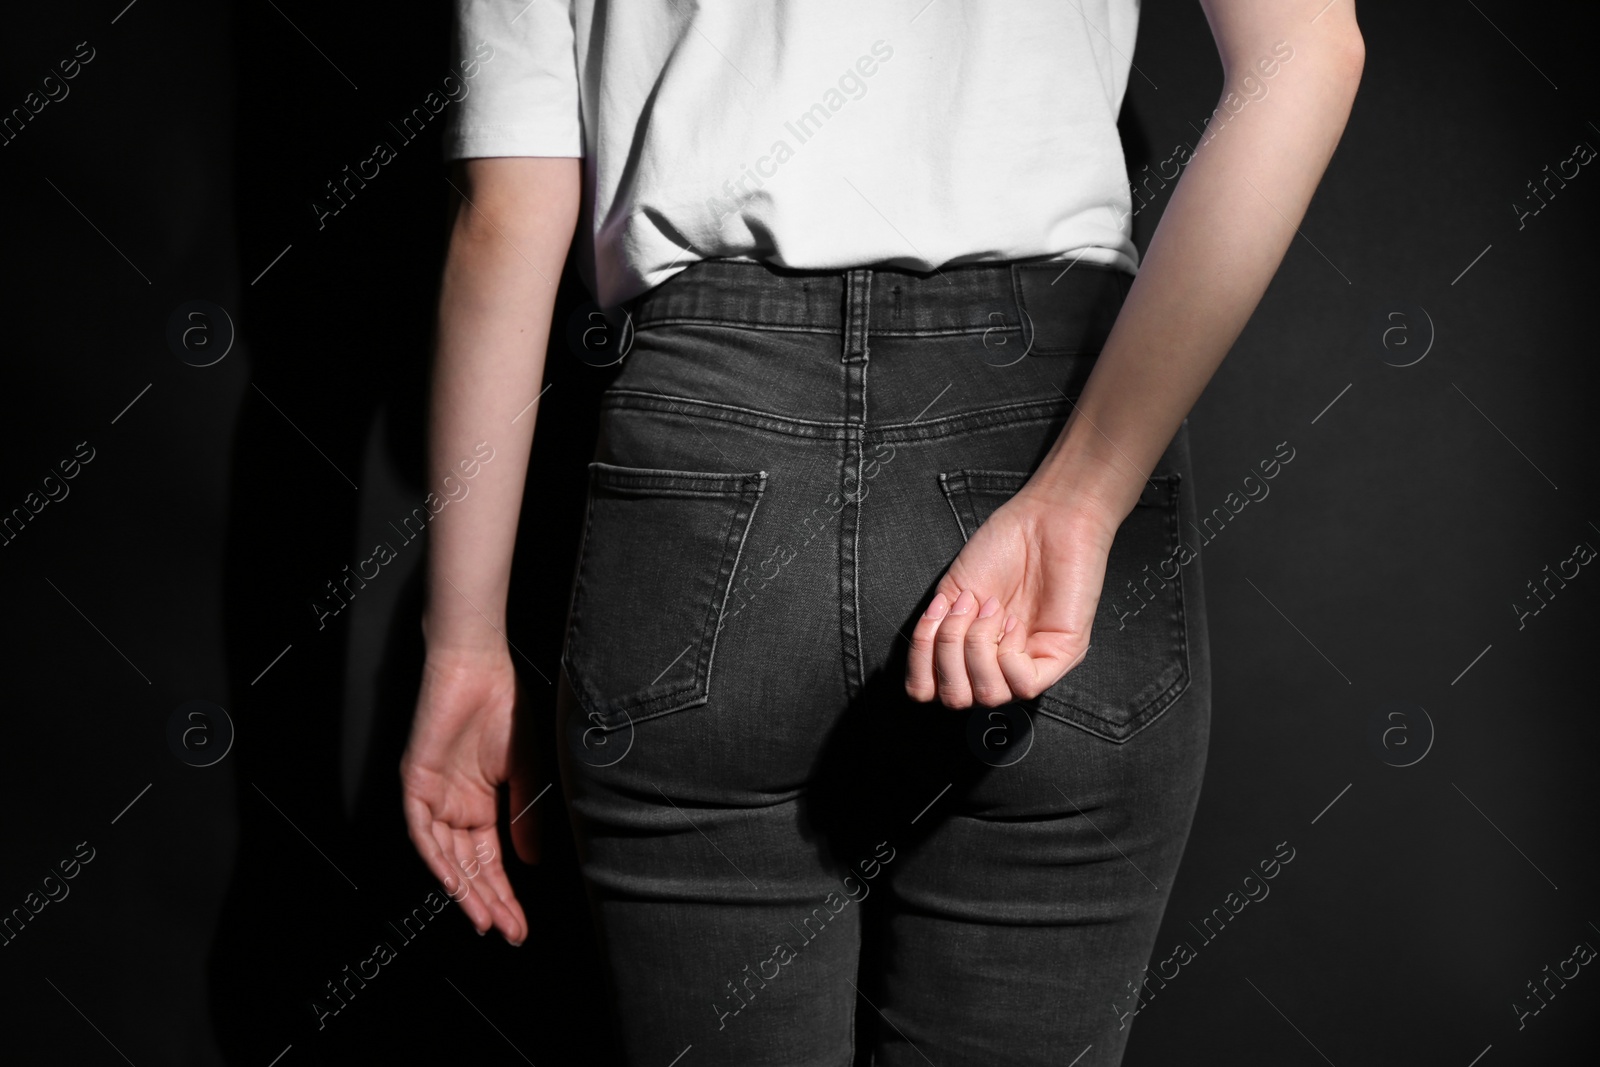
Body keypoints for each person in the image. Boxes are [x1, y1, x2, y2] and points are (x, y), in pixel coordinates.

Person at [400, 1, 1364, 1063]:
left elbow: (504, 218)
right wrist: (1083, 493)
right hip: (1044, 419)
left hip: (705, 455)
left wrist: (464, 641)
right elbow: (1306, 50)